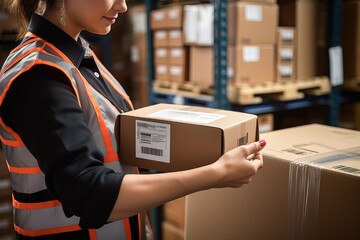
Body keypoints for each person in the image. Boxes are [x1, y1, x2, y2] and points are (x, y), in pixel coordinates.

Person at [0, 0, 266, 239]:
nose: (123, 6)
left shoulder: (78, 56)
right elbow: (88, 193)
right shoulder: (39, 76)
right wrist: (214, 174)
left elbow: (117, 152)